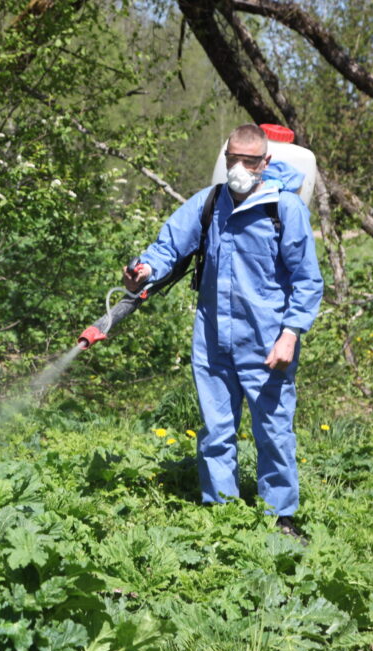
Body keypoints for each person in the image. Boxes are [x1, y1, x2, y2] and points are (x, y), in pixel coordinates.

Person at [124, 123, 323, 541]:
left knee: (273, 432)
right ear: (226, 156)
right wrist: (145, 269)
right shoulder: (210, 202)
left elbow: (307, 281)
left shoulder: (284, 209)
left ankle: (280, 518)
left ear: (265, 162)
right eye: (233, 159)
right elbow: (168, 246)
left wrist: (290, 334)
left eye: (249, 161)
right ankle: (221, 516)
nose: (239, 168)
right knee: (216, 431)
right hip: (213, 340)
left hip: (267, 342)